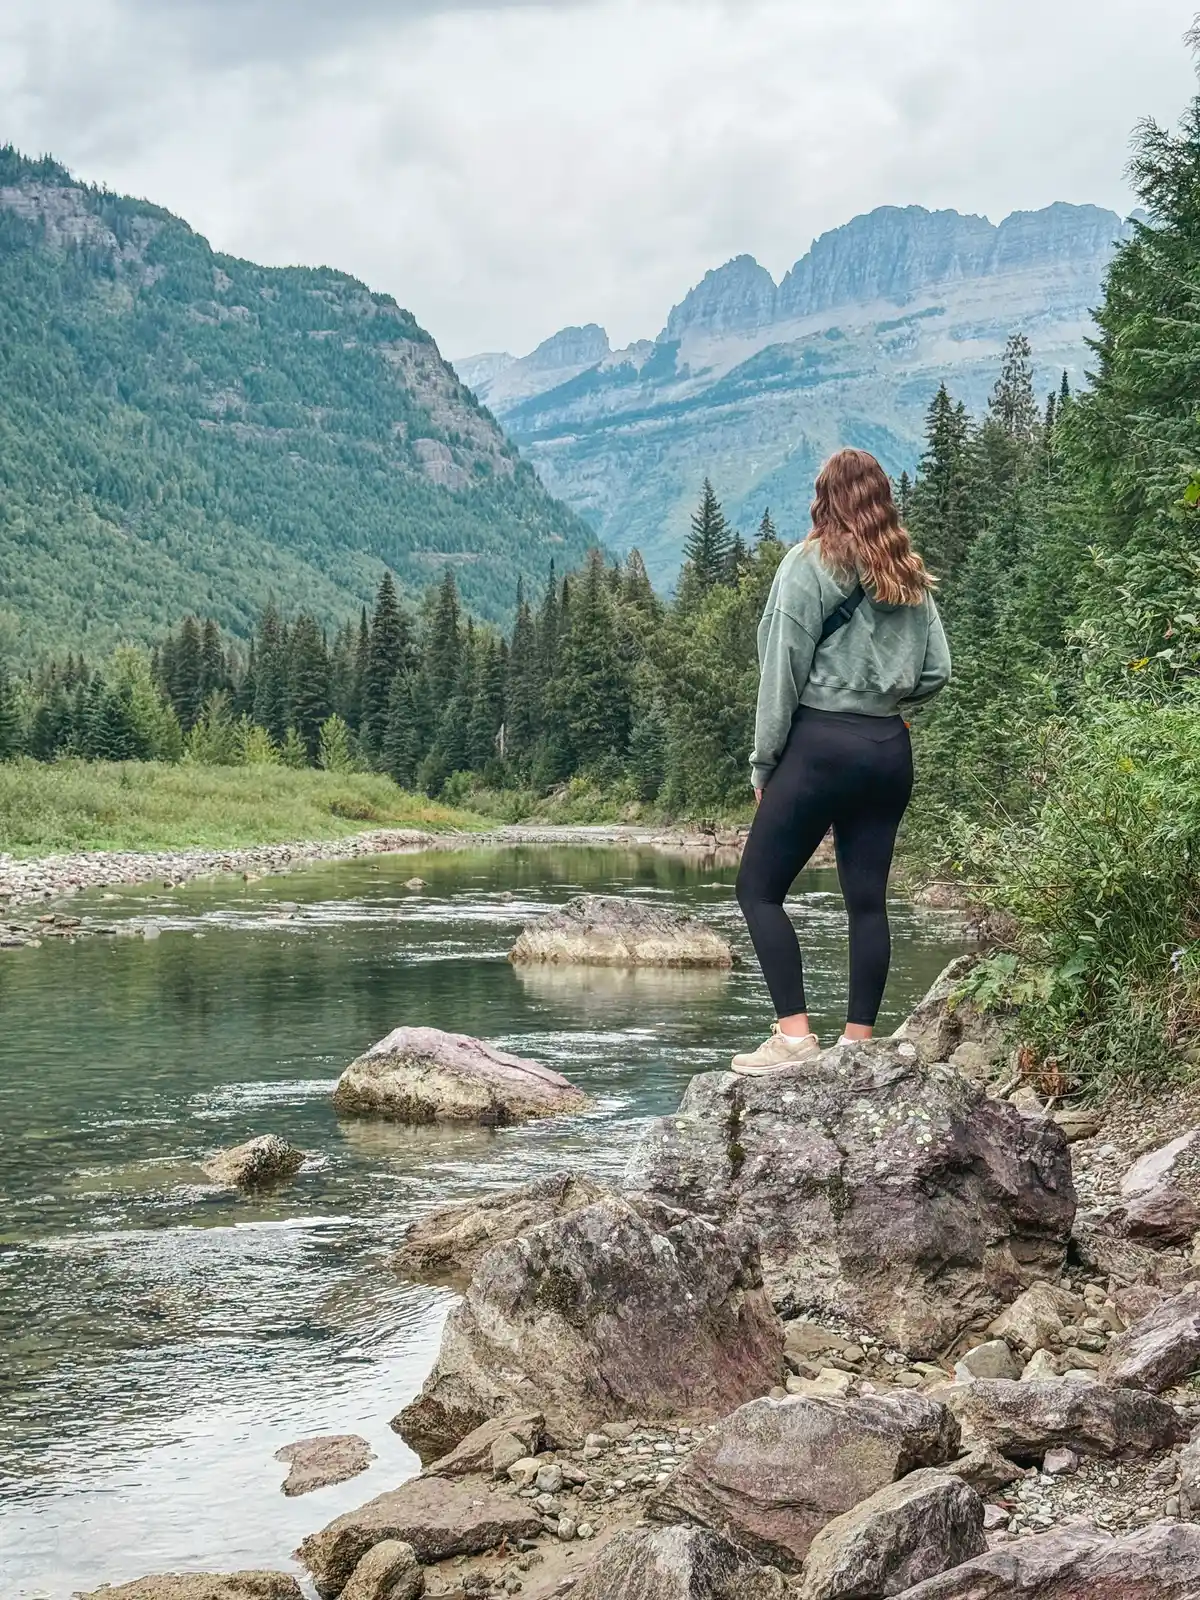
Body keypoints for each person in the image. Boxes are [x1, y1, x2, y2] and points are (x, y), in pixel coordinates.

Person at [731, 447, 951, 1075]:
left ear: (824, 498)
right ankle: (858, 1044)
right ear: (881, 500)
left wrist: (764, 764)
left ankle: (795, 1039)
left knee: (759, 890)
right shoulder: (907, 572)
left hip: (820, 746)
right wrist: (886, 699)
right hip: (887, 748)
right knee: (867, 901)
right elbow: (939, 671)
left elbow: (781, 674)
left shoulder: (807, 564)